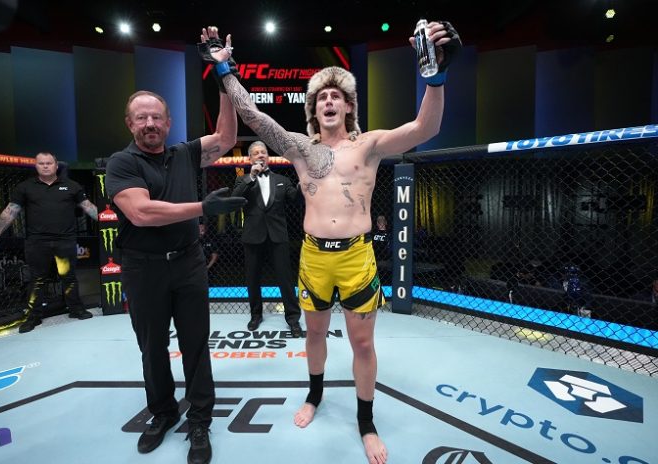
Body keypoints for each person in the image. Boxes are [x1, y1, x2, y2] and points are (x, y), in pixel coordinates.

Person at [199, 21, 461, 464]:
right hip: (313, 258)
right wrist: (224, 70)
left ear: (348, 105)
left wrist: (435, 80)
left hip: (356, 257)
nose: (328, 101)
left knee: (363, 345)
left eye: (336, 95)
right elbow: (253, 116)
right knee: (315, 334)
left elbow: (425, 128)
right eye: (321, 97)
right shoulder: (300, 148)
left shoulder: (370, 145)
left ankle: (366, 422)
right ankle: (314, 394)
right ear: (313, 108)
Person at [105, 88, 244, 464]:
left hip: (188, 262)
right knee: (152, 347)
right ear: (130, 124)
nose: (150, 124)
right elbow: (142, 213)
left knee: (196, 344)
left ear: (168, 123)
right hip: (143, 267)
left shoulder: (184, 153)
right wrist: (202, 208)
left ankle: (199, 421)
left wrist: (224, 85)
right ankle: (163, 412)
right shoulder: (122, 163)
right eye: (142, 118)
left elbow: (227, 138)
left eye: (156, 117)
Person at [0, 152, 97, 333]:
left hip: (64, 241)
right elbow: (11, 210)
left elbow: (88, 207)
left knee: (68, 277)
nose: (45, 166)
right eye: (41, 163)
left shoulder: (72, 186)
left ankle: (76, 309)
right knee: (37, 280)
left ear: (56, 165)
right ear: (36, 166)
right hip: (37, 242)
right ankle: (33, 316)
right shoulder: (25, 187)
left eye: (49, 163)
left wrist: (110, 221)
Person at [232, 140, 303, 336]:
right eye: (256, 153)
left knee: (285, 279)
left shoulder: (282, 180)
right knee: (253, 278)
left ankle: (293, 319)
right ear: (250, 159)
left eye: (263, 152)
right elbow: (235, 198)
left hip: (277, 235)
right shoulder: (243, 180)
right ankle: (256, 315)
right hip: (253, 236)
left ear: (268, 157)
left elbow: (296, 199)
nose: (260, 155)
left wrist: (302, 184)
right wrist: (251, 177)